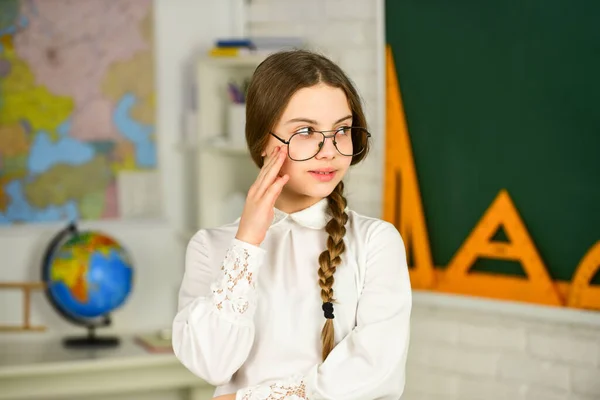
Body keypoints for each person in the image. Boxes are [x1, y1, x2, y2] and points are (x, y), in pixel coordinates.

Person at [172, 49, 412, 400]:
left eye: (342, 130)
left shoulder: (376, 242)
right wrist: (248, 241)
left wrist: (248, 399)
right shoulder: (210, 247)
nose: (328, 150)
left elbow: (375, 370)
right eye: (305, 131)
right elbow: (212, 364)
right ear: (262, 140)